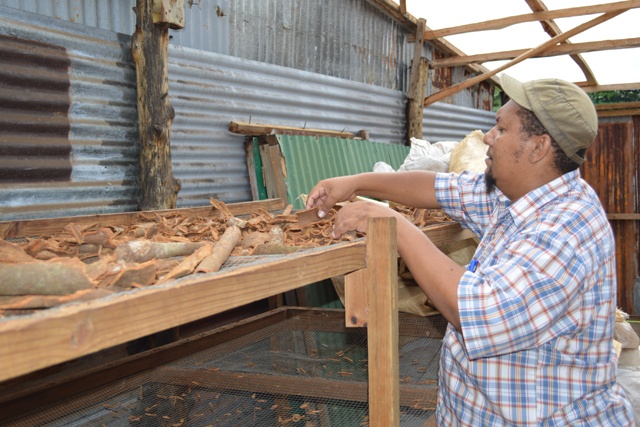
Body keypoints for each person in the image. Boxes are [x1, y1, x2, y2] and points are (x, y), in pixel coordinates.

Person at [305, 74, 635, 426]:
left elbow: (476, 311)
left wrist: (394, 226)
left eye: (501, 129)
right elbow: (438, 187)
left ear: (538, 147)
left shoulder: (567, 228)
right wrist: (355, 182)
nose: (487, 138)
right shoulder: (518, 195)